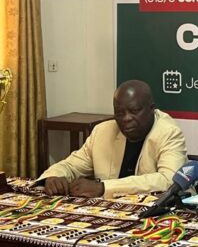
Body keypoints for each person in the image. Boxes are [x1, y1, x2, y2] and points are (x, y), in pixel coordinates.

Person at [36, 80, 188, 199]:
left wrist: (103, 188)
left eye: (134, 111)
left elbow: (169, 181)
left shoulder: (169, 132)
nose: (126, 118)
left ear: (151, 109)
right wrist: (53, 176)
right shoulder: (102, 132)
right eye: (120, 113)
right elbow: (71, 165)